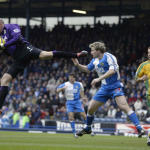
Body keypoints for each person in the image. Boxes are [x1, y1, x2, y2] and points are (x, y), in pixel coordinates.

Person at [0, 18, 87, 115]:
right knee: (4, 79)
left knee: (45, 55)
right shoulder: (0, 37)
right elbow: (7, 50)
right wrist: (3, 49)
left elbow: (17, 38)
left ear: (0, 24)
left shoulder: (10, 26)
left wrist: (4, 45)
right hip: (18, 58)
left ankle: (75, 55)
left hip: (25, 49)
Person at [72, 41, 145, 137]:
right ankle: (88, 128)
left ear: (99, 50)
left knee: (124, 107)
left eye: (93, 50)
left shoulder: (109, 57)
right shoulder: (94, 60)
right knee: (90, 109)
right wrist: (77, 65)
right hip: (104, 88)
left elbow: (112, 71)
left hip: (115, 86)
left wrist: (99, 79)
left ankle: (139, 128)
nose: (91, 52)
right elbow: (87, 69)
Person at [56, 72, 87, 138]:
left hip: (77, 101)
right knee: (70, 117)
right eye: (69, 77)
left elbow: (81, 91)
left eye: (71, 77)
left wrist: (83, 98)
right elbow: (57, 90)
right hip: (69, 102)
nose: (70, 78)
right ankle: (74, 132)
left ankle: (88, 128)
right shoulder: (66, 84)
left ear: (74, 78)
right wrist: (62, 88)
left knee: (84, 115)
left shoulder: (79, 84)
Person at [135, 47, 150, 145]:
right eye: (148, 52)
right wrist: (141, 79)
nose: (149, 54)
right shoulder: (144, 65)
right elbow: (136, 78)